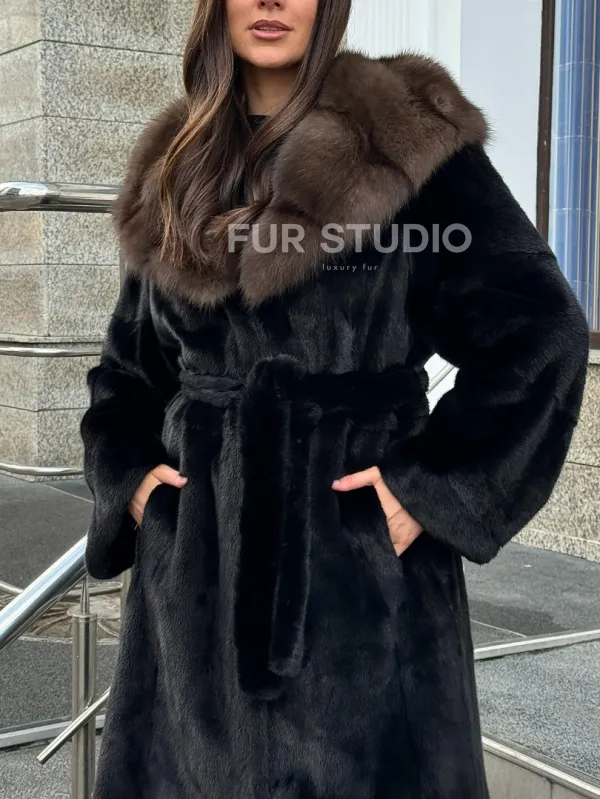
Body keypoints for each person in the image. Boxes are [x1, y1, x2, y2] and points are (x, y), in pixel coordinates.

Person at [80, 0, 589, 797]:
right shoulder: (176, 165)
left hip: (360, 582)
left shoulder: (405, 137)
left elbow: (539, 331)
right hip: (196, 591)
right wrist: (135, 480)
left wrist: (434, 489)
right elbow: (128, 370)